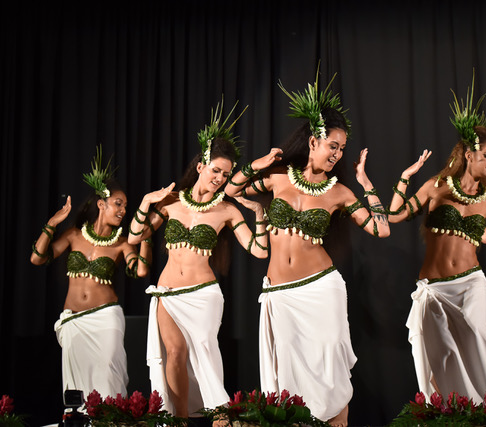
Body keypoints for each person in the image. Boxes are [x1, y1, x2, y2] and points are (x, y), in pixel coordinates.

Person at [225, 72, 390, 427]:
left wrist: (366, 184)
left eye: (342, 148)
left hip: (321, 288)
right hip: (281, 293)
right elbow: (232, 190)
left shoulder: (341, 193)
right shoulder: (279, 176)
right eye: (333, 145)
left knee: (330, 364)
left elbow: (381, 228)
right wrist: (259, 163)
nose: (338, 153)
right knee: (288, 372)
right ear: (314, 141)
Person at [387, 75, 486, 409]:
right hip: (435, 288)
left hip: (470, 283)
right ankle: (451, 410)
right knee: (443, 351)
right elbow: (394, 217)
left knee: (478, 333)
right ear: (469, 154)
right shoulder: (436, 186)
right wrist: (405, 178)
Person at [127, 102, 268, 418]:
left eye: (226, 174)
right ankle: (178, 421)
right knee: (174, 354)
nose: (220, 178)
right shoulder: (171, 203)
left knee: (204, 353)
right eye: (216, 170)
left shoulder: (228, 211)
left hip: (203, 295)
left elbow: (259, 250)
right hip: (167, 294)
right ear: (201, 166)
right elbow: (135, 236)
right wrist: (147, 201)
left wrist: (258, 212)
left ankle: (219, 416)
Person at [30, 146, 150, 400]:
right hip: (74, 320)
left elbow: (139, 270)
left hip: (106, 318)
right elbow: (37, 258)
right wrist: (52, 223)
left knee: (108, 373)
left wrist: (146, 239)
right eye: (118, 204)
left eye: (125, 206)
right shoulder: (73, 235)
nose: (122, 210)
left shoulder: (123, 242)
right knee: (77, 385)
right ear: (101, 204)